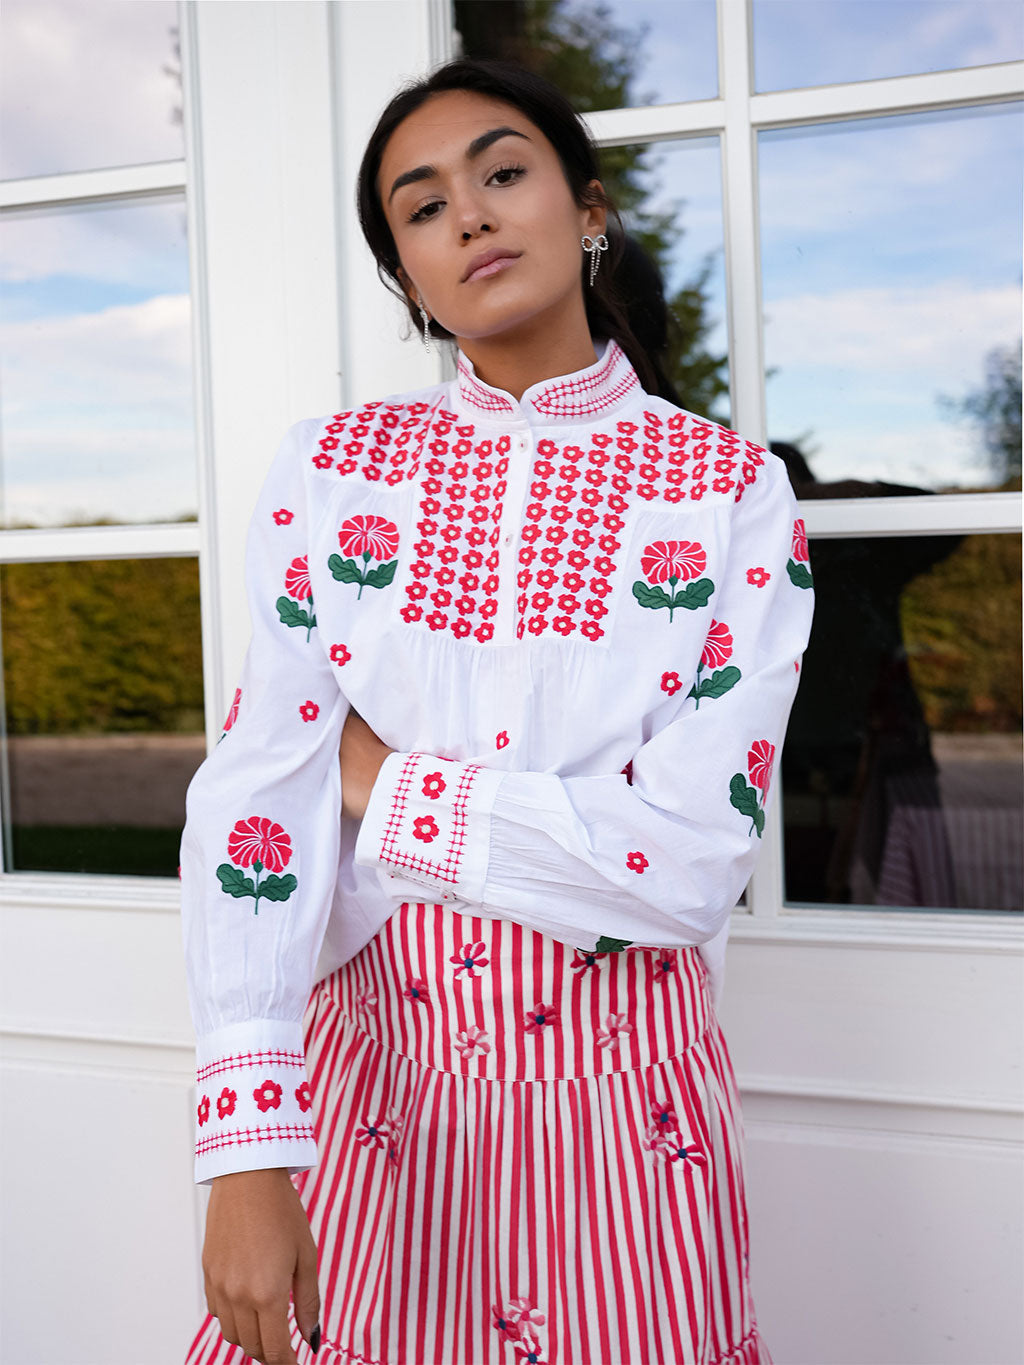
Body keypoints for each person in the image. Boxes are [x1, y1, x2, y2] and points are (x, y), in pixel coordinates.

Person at [181, 57, 814, 1365]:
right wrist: (248, 1140)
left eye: (503, 172)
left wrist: (383, 782)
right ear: (406, 274)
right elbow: (258, 805)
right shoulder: (333, 475)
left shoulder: (729, 492)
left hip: (632, 1127)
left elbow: (688, 863)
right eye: (421, 207)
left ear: (588, 211)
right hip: (376, 1104)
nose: (468, 215)